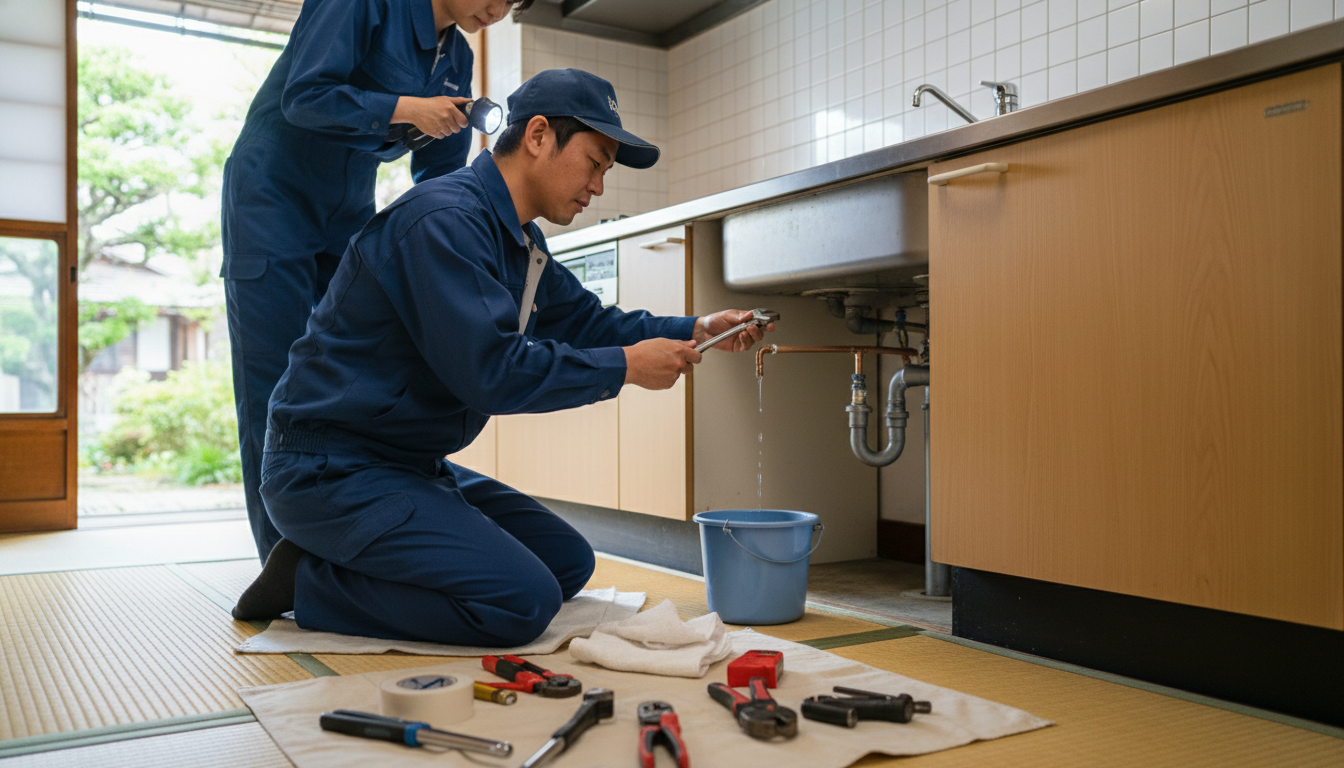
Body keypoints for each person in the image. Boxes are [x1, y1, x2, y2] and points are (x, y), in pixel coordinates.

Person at [229, 69, 774, 647]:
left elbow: (590, 322)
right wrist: (627, 367)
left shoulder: (519, 242)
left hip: (405, 463)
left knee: (566, 561)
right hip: (328, 468)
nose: (599, 186)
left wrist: (695, 326)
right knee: (521, 602)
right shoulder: (443, 221)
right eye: (595, 162)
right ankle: (310, 582)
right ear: (538, 135)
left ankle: (362, 555)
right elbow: (491, 373)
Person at [221, 0, 532, 564]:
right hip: (272, 196)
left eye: (513, 5)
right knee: (270, 378)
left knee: (346, 373)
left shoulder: (455, 54)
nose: (499, 10)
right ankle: (281, 562)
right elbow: (305, 96)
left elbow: (440, 171)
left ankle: (342, 535)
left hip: (348, 207)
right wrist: (406, 107)